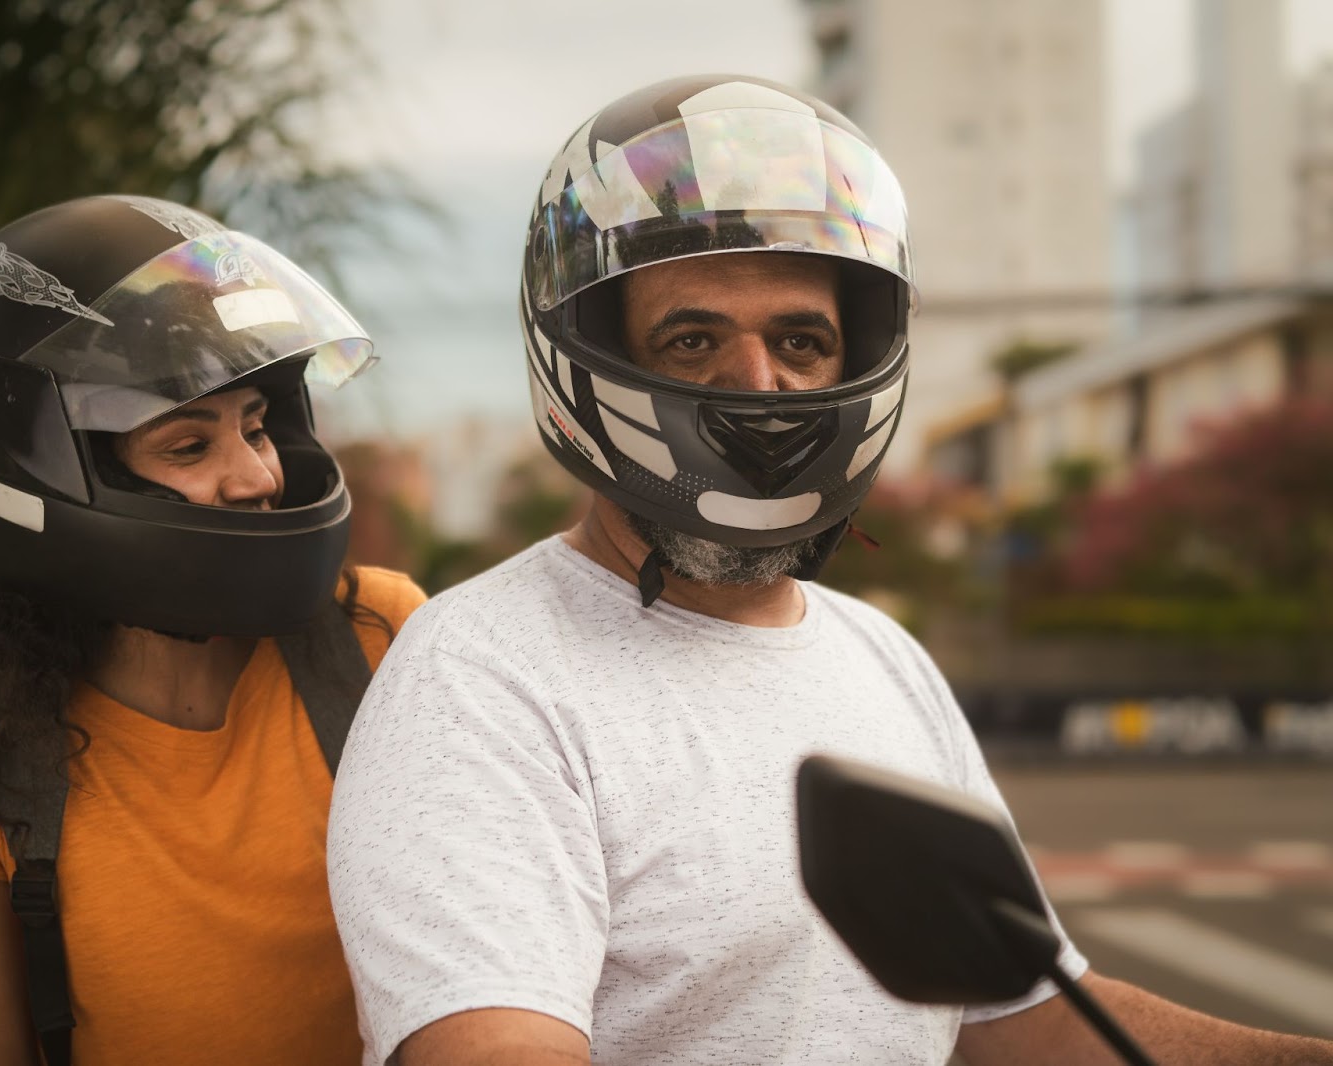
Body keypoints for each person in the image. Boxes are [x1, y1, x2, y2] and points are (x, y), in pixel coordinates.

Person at [325, 76, 1333, 1065]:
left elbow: (1019, 1019)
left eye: (801, 339)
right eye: (692, 338)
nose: (759, 385)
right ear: (587, 353)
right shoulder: (481, 675)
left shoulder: (880, 657)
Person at [0, 195, 425, 1066]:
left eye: (256, 428)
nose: (256, 478)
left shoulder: (380, 636)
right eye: (188, 448)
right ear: (39, 475)